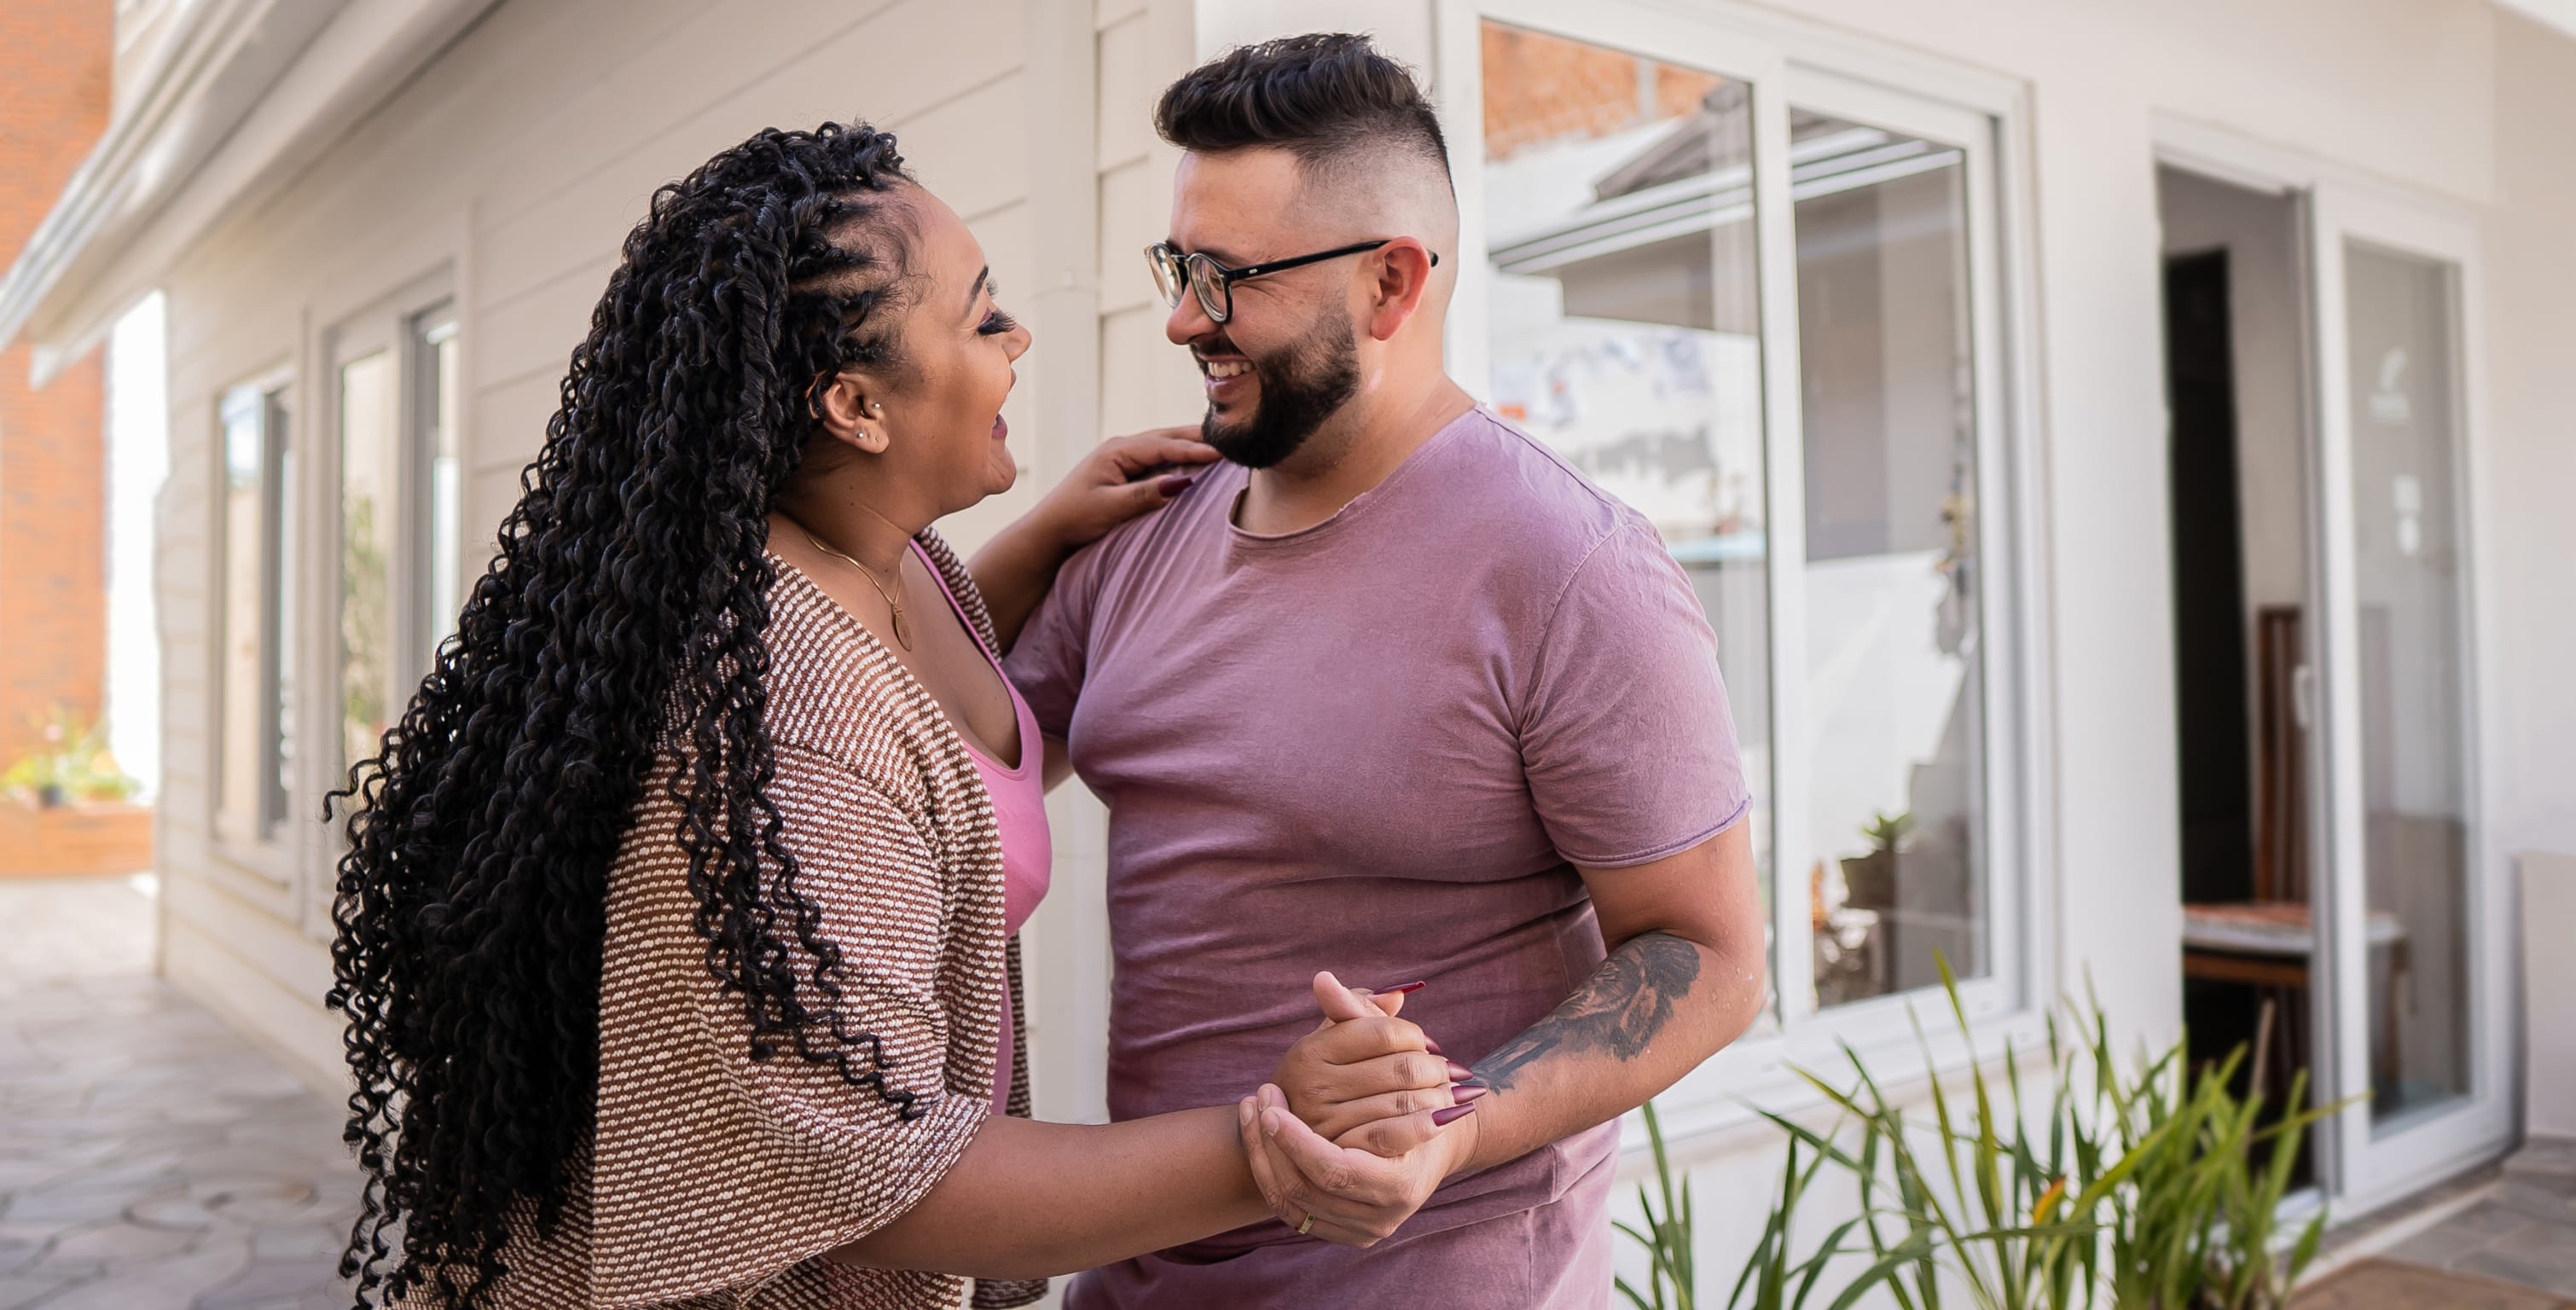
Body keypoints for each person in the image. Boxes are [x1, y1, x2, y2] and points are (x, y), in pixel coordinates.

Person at [323, 123, 1470, 1310]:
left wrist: (1041, 538)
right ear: (857, 404)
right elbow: (889, 1180)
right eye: (981, 319)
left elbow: (934, 726)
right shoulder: (779, 720)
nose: (1019, 337)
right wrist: (1271, 1150)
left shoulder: (896, 561)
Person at [977, 34, 1771, 1308]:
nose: (1185, 318)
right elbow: (940, 760)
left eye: (1228, 280)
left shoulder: (1569, 567)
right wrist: (1022, 541)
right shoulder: (1148, 519)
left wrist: (1451, 1125)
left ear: (1391, 283)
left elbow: (1710, 957)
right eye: (1179, 268)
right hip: (1140, 1279)